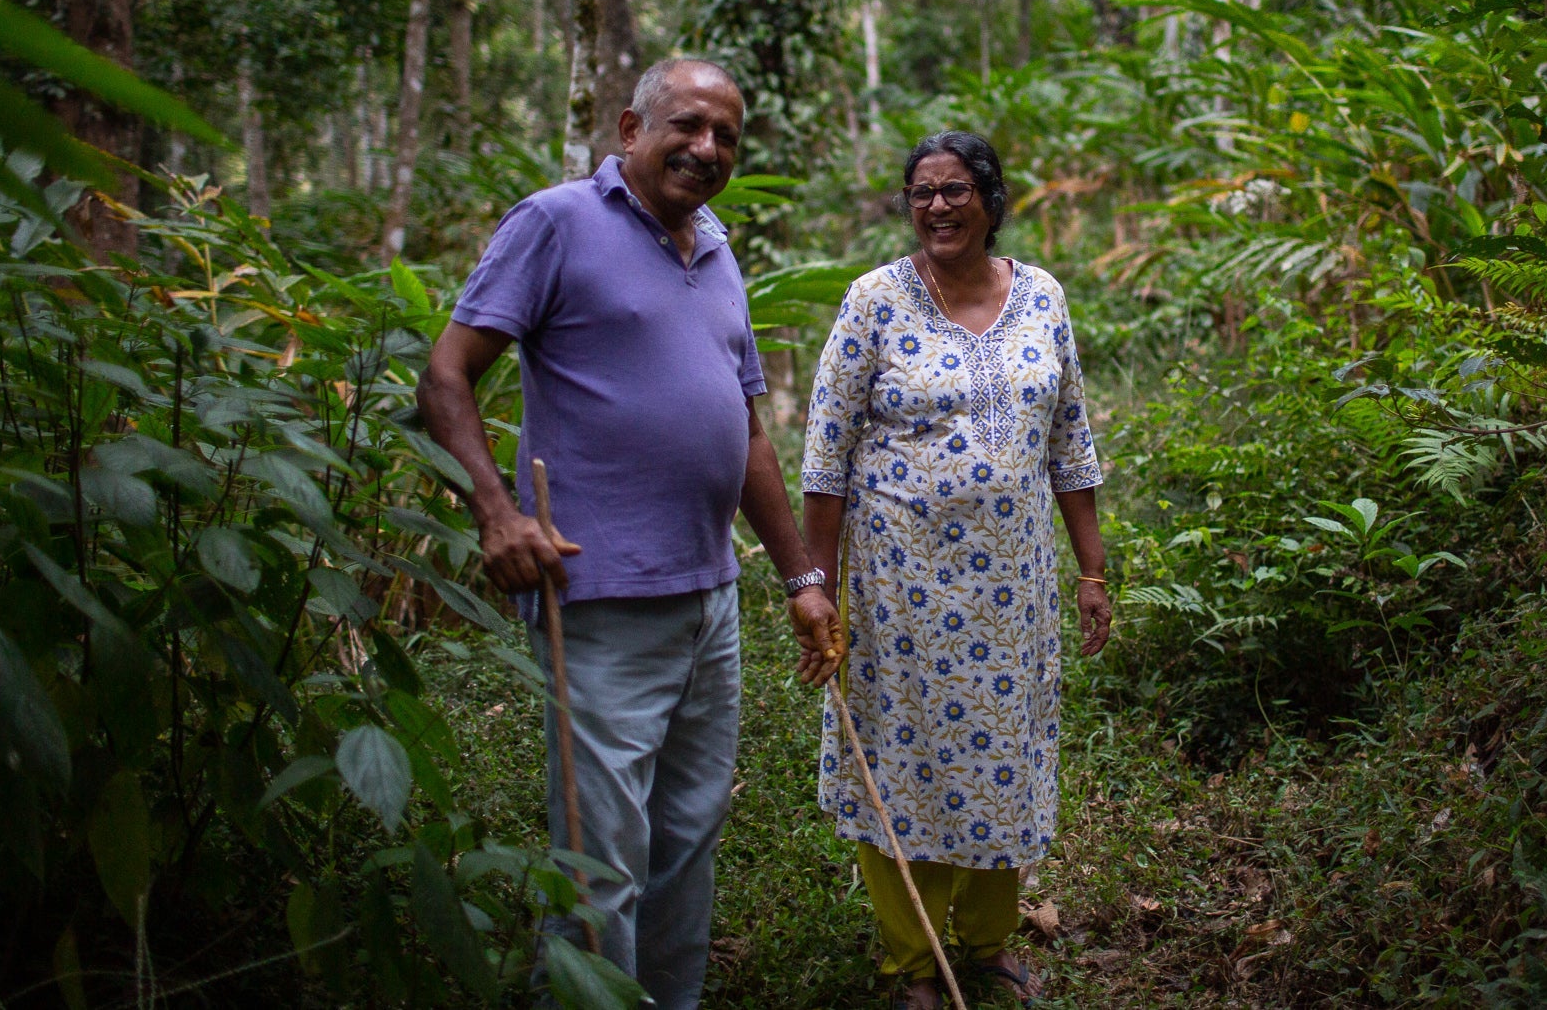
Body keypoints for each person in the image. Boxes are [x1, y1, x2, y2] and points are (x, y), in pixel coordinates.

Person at [416, 58, 843, 1008]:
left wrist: (801, 575)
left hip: (709, 599)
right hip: (599, 595)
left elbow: (745, 432)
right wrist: (498, 513)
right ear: (629, 129)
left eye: (726, 135)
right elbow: (447, 374)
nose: (707, 148)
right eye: (688, 126)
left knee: (687, 839)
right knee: (600, 856)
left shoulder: (718, 248)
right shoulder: (557, 221)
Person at [796, 130, 1114, 1009]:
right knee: (906, 757)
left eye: (955, 189)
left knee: (1004, 755)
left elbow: (1071, 443)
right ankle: (912, 958)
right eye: (921, 192)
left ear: (990, 197)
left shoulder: (1042, 297)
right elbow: (824, 458)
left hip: (1014, 589)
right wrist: (813, 586)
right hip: (902, 583)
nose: (937, 206)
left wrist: (1091, 571)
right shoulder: (874, 302)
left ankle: (987, 941)